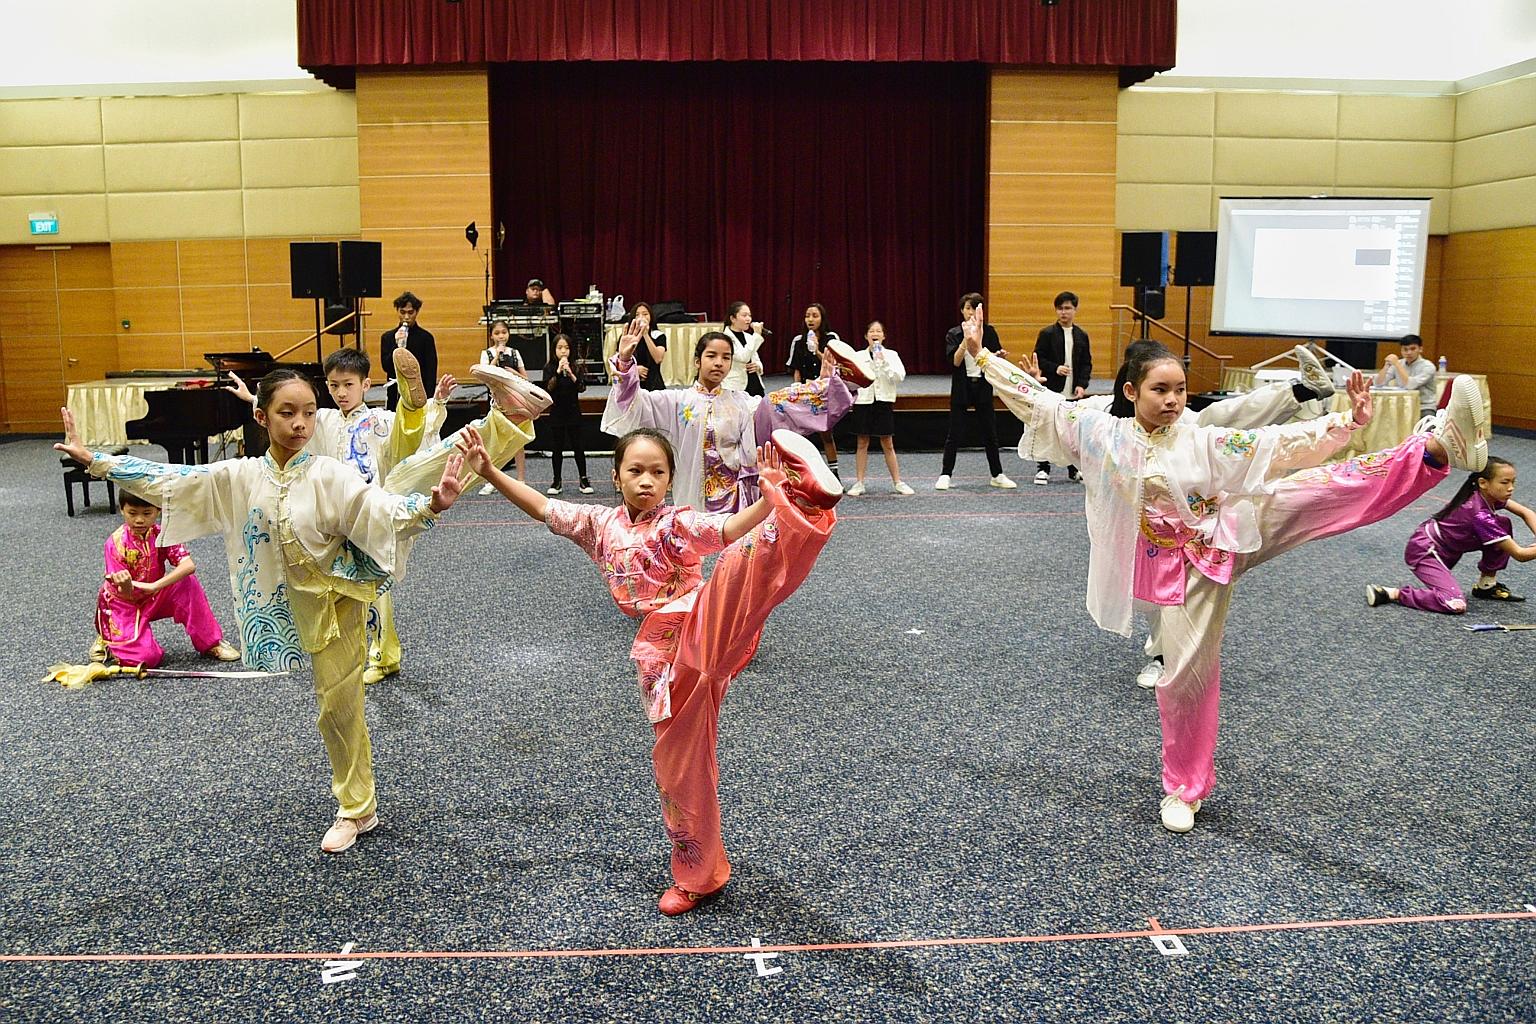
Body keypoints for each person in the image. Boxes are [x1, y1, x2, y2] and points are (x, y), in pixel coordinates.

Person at [969, 308, 1489, 834]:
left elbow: (1279, 445)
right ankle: (1184, 788)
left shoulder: (1200, 437)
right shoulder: (1097, 430)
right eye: (1160, 390)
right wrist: (983, 355)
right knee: (1184, 678)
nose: (1174, 400)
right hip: (1174, 567)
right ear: (1130, 392)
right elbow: (1039, 402)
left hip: (1228, 531)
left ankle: (1436, 447)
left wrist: (1346, 422)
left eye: (1180, 389)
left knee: (1321, 487)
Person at [53, 369, 500, 854]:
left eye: (308, 412)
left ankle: (357, 808)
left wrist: (428, 508)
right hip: (283, 601)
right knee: (329, 704)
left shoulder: (330, 474)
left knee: (337, 707)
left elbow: (377, 509)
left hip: (338, 601)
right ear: (262, 416)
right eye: (287, 413)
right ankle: (357, 801)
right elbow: (173, 480)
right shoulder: (241, 476)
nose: (301, 424)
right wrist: (96, 461)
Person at [460, 422, 843, 915]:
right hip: (657, 656)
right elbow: (542, 506)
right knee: (678, 768)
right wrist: (490, 470)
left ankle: (803, 504)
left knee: (731, 574)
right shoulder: (598, 525)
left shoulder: (676, 523)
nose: (646, 480)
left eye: (657, 472)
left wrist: (769, 500)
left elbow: (725, 530)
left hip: (696, 623)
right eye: (635, 470)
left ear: (669, 480)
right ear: (616, 475)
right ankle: (699, 875)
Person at [225, 347, 454, 686]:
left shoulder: (379, 420)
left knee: (376, 586)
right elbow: (287, 418)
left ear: (367, 385)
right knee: (340, 584)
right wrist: (254, 398)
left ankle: (384, 655)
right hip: (332, 515)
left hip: (370, 510)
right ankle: (351, 648)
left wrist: (429, 406)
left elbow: (413, 441)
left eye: (348, 384)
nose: (341, 393)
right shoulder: (326, 419)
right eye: (333, 386)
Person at [602, 320, 867, 513]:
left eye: (726, 358)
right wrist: (625, 363)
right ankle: (831, 388)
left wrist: (815, 386)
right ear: (697, 361)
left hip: (735, 499)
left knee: (772, 405)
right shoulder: (675, 401)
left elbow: (781, 416)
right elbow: (633, 404)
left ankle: (838, 385)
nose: (719, 362)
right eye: (712, 356)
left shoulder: (740, 402)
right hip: (694, 498)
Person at [91, 492, 241, 669]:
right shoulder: (115, 543)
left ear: (158, 510)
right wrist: (125, 583)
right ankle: (108, 637)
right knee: (146, 659)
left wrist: (155, 586)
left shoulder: (163, 534)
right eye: (132, 513)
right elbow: (124, 591)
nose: (139, 520)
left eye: (147, 513)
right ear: (122, 510)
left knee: (188, 583)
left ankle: (211, 643)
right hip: (124, 603)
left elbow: (188, 565)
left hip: (153, 592)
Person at [1368, 457, 1536, 613]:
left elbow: (1526, 513)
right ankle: (1391, 593)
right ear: (1483, 483)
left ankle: (1486, 585)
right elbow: (1520, 555)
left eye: (1513, 482)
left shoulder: (1487, 494)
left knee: (1502, 524)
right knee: (1454, 603)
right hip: (1426, 552)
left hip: (1449, 545)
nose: (1511, 488)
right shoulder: (1480, 515)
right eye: (1505, 482)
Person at [937, 292, 1014, 491]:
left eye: (976, 308)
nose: (971, 312)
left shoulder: (989, 332)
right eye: (968, 308)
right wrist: (965, 339)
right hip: (962, 387)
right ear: (962, 310)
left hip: (983, 386)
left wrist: (999, 356)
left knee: (990, 433)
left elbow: (994, 359)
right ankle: (945, 474)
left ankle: (997, 474)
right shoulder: (954, 333)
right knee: (954, 433)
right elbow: (955, 361)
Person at [845, 320, 913, 496]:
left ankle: (898, 482)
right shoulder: (858, 356)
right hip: (864, 402)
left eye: (879, 331)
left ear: (883, 336)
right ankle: (859, 483)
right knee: (862, 442)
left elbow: (900, 376)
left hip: (883, 401)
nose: (875, 334)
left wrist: (883, 363)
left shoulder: (891, 355)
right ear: (866, 336)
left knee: (887, 443)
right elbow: (850, 379)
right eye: (871, 331)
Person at [1033, 291, 1092, 485]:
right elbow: (1038, 358)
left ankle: (1074, 469)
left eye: (1067, 308)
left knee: (1072, 432)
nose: (1063, 312)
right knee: (1047, 428)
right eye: (1060, 309)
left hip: (1072, 391)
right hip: (1052, 389)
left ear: (1075, 310)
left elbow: (1086, 363)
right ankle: (1043, 468)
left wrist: (1082, 385)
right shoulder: (1047, 333)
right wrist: (1055, 368)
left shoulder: (1081, 335)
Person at [786, 303, 843, 476]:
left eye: (815, 316)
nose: (810, 319)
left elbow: (835, 365)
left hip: (824, 391)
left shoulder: (831, 338)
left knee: (826, 433)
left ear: (822, 318)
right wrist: (796, 388)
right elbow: (796, 368)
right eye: (807, 315)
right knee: (801, 435)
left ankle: (834, 474)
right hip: (805, 391)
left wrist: (817, 350)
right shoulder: (798, 340)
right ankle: (802, 475)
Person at [479, 320, 532, 494]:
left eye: (504, 332)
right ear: (491, 336)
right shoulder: (486, 353)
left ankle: (521, 479)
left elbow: (525, 378)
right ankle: (493, 479)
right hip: (496, 402)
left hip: (515, 401)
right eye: (497, 333)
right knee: (495, 441)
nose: (501, 336)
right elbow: (485, 375)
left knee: (517, 441)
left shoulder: (515, 353)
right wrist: (496, 356)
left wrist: (513, 373)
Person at [542, 333, 592, 495]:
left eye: (566, 348)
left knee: (578, 447)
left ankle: (583, 479)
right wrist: (557, 372)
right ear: (554, 350)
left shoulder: (576, 367)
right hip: (557, 412)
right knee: (557, 448)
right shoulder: (549, 367)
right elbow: (548, 388)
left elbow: (582, 388)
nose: (563, 351)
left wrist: (570, 373)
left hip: (573, 411)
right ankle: (557, 480)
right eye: (560, 348)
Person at [379, 291, 437, 412]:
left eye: (410, 312)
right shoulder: (388, 337)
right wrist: (397, 345)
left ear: (417, 312)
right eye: (402, 312)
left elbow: (431, 371)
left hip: (418, 390)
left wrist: (429, 399)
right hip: (395, 392)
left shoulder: (426, 338)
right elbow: (386, 367)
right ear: (397, 311)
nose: (406, 317)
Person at [1373, 334, 1439, 414]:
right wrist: (1386, 366)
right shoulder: (1399, 363)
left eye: (1412, 349)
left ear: (1420, 349)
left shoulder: (1428, 366)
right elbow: (1378, 383)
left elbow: (1410, 385)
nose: (1409, 352)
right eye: (1405, 349)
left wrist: (1397, 365)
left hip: (1423, 407)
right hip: (1401, 406)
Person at [721, 301, 767, 396]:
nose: (748, 319)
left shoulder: (749, 337)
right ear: (733, 318)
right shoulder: (725, 338)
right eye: (744, 315)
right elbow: (743, 357)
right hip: (736, 386)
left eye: (749, 315)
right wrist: (757, 335)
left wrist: (758, 366)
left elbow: (755, 358)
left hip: (754, 382)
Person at [627, 301, 669, 392]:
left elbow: (658, 358)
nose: (641, 317)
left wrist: (645, 334)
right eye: (637, 315)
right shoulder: (627, 337)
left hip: (653, 383)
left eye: (645, 314)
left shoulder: (658, 336)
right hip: (632, 383)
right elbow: (618, 361)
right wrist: (634, 369)